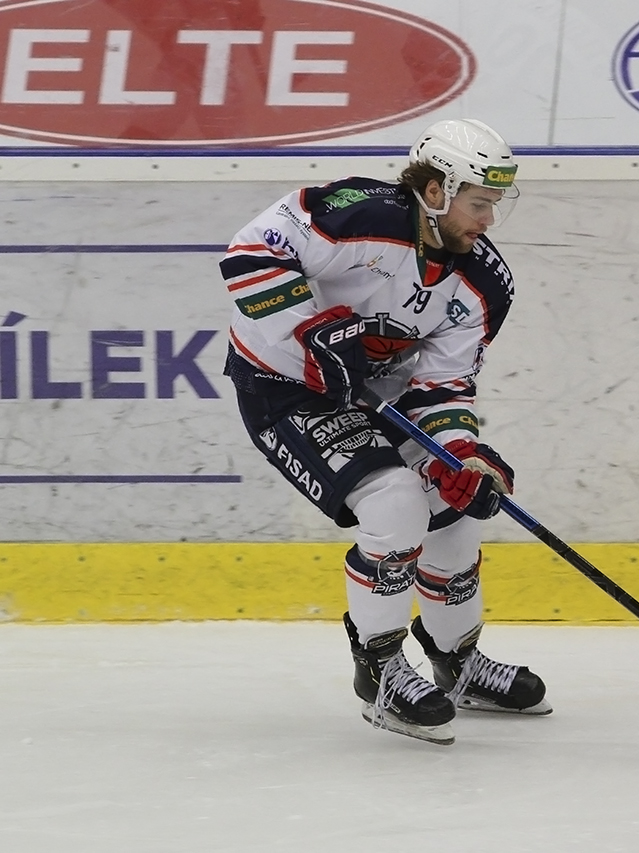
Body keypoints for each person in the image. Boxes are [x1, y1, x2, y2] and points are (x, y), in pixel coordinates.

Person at [218, 118, 549, 745]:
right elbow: (249, 255)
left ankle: (457, 662)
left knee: (454, 508)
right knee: (395, 504)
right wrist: (309, 329)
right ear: (436, 191)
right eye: (480, 204)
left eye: (494, 205)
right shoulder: (353, 212)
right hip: (285, 388)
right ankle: (380, 670)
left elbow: (442, 386)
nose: (489, 221)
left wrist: (462, 455)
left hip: (380, 393)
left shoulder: (483, 286)